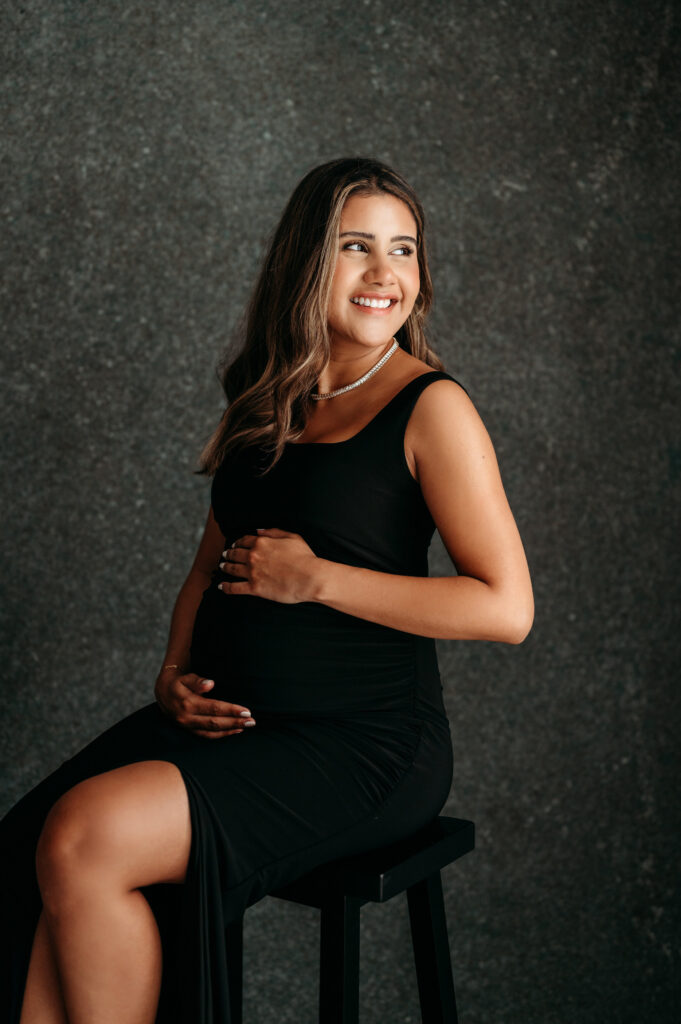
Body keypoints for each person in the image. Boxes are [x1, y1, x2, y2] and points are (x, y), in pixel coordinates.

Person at [1, 156, 534, 1024]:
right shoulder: (266, 396)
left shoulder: (431, 407)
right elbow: (208, 559)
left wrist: (319, 580)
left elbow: (505, 608)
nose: (384, 274)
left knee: (84, 836)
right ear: (302, 262)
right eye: (354, 246)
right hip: (233, 724)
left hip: (362, 747)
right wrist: (172, 672)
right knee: (32, 846)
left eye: (403, 250)